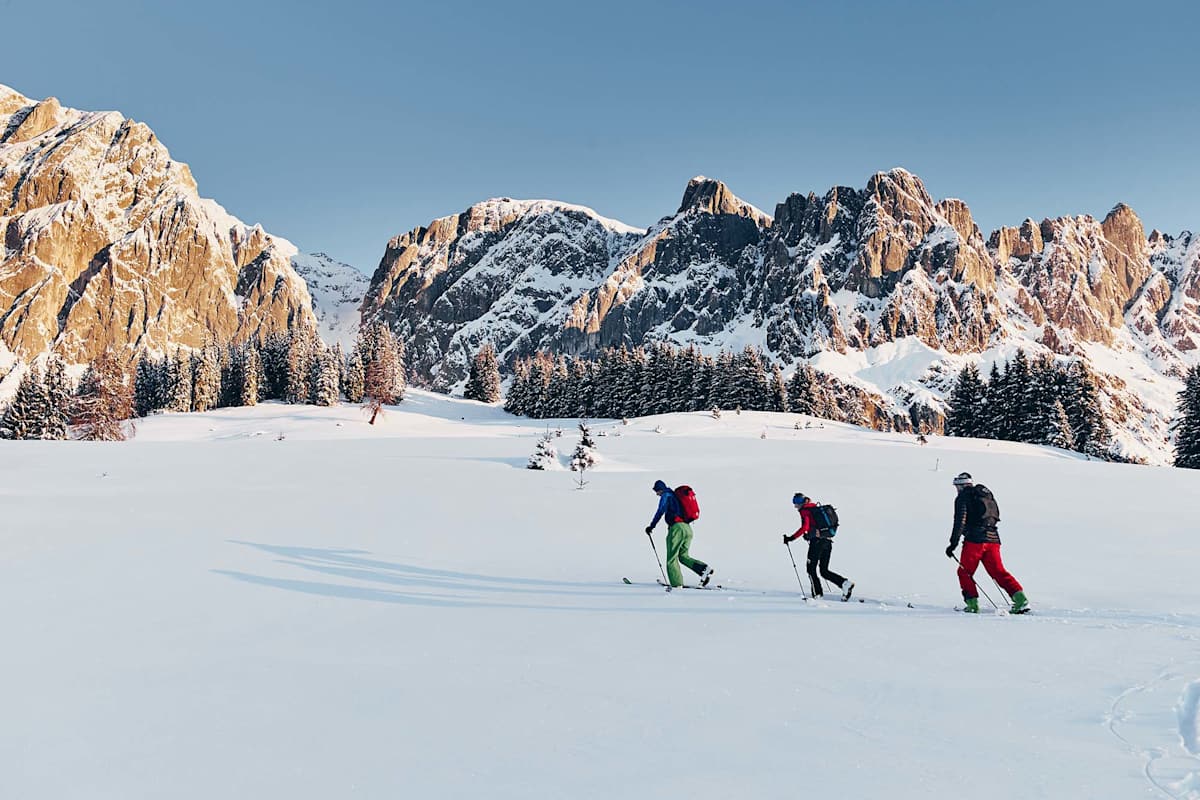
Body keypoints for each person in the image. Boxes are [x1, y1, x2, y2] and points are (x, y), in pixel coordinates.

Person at [945, 472, 1029, 613]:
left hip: (974, 541)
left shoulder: (963, 498)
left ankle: (972, 605)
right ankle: (1021, 600)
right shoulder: (984, 494)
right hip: (993, 539)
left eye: (957, 486)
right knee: (998, 571)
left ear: (961, 486)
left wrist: (953, 543)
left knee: (965, 572)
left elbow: (960, 521)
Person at [783, 492, 854, 600]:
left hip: (817, 543)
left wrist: (791, 538)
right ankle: (845, 583)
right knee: (824, 571)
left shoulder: (805, 511)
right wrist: (808, 535)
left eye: (796, 502)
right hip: (827, 541)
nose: (795, 505)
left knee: (811, 569)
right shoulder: (814, 508)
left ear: (802, 502)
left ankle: (817, 595)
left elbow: (805, 527)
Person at [645, 479, 713, 588]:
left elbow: (660, 511)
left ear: (660, 489)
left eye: (656, 491)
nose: (656, 494)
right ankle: (704, 569)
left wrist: (651, 526)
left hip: (676, 529)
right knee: (683, 556)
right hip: (687, 529)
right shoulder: (676, 496)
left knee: (671, 559)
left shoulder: (666, 495)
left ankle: (677, 585)